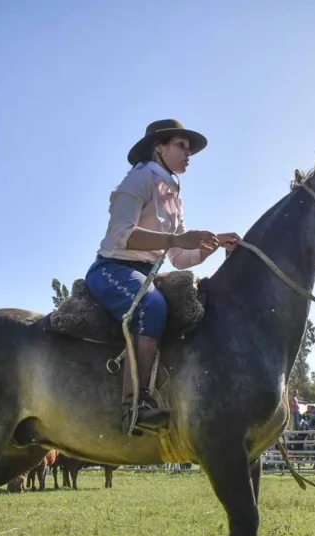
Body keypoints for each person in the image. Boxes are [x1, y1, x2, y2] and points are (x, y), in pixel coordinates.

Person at [85, 120, 241, 432]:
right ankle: (137, 403)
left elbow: (179, 259)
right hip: (112, 269)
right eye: (180, 146)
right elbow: (120, 236)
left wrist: (207, 247)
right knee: (152, 306)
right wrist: (176, 240)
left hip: (144, 274)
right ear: (159, 147)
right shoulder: (138, 179)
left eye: (188, 148)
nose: (188, 154)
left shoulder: (173, 194)